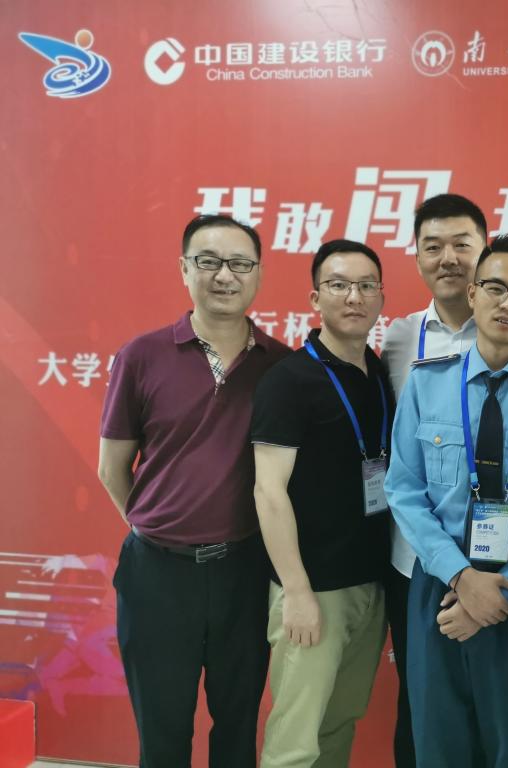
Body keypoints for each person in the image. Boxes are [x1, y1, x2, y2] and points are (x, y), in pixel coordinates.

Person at [380, 194, 508, 768]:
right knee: (437, 744)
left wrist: (504, 588)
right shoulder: (426, 382)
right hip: (437, 586)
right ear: (473, 293)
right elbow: (403, 488)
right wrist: (462, 577)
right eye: (495, 288)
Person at [98, 214, 290, 767]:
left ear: (258, 274)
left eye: (240, 264)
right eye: (208, 261)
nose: (224, 275)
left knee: (238, 727)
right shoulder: (142, 355)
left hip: (244, 571)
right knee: (162, 733)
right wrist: (158, 525)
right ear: (185, 269)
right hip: (158, 575)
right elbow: (113, 467)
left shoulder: (280, 366)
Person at [252, 240, 393, 766]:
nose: (354, 297)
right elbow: (268, 491)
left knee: (339, 721)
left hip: (369, 582)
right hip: (313, 588)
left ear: (381, 297)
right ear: (315, 297)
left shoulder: (378, 371)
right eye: (338, 285)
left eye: (366, 286)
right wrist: (296, 591)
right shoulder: (289, 381)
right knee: (296, 739)